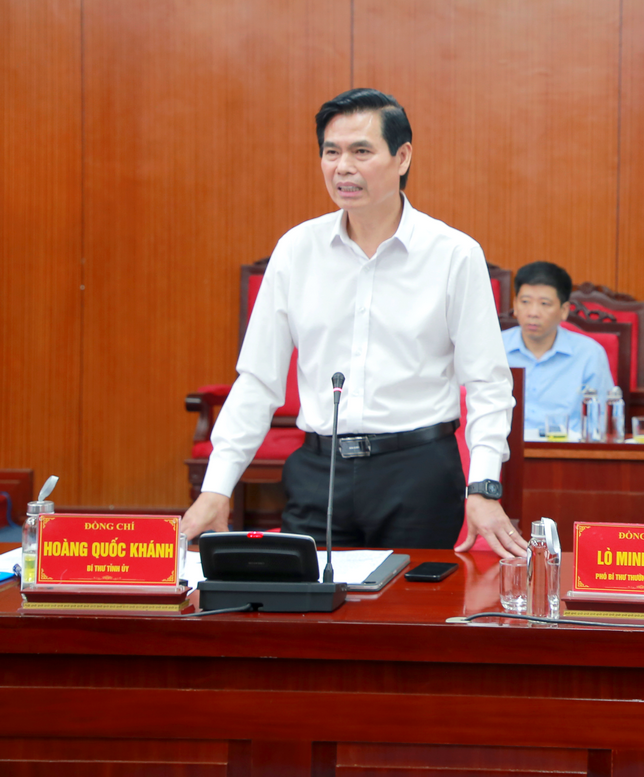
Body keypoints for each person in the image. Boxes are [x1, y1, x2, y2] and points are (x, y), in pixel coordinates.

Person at [180, 89, 527, 556]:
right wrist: (217, 486)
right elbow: (258, 381)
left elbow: (487, 383)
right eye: (331, 152)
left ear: (402, 157)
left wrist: (483, 486)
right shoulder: (297, 251)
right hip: (319, 474)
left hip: (418, 474)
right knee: (308, 599)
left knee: (413, 603)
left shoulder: (453, 254)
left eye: (361, 151)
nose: (343, 167)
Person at [501, 261, 614, 437]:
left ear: (564, 310)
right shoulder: (494, 349)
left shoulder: (589, 354)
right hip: (505, 449)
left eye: (544, 304)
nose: (533, 313)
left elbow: (599, 422)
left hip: (566, 450)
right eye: (525, 302)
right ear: (515, 305)